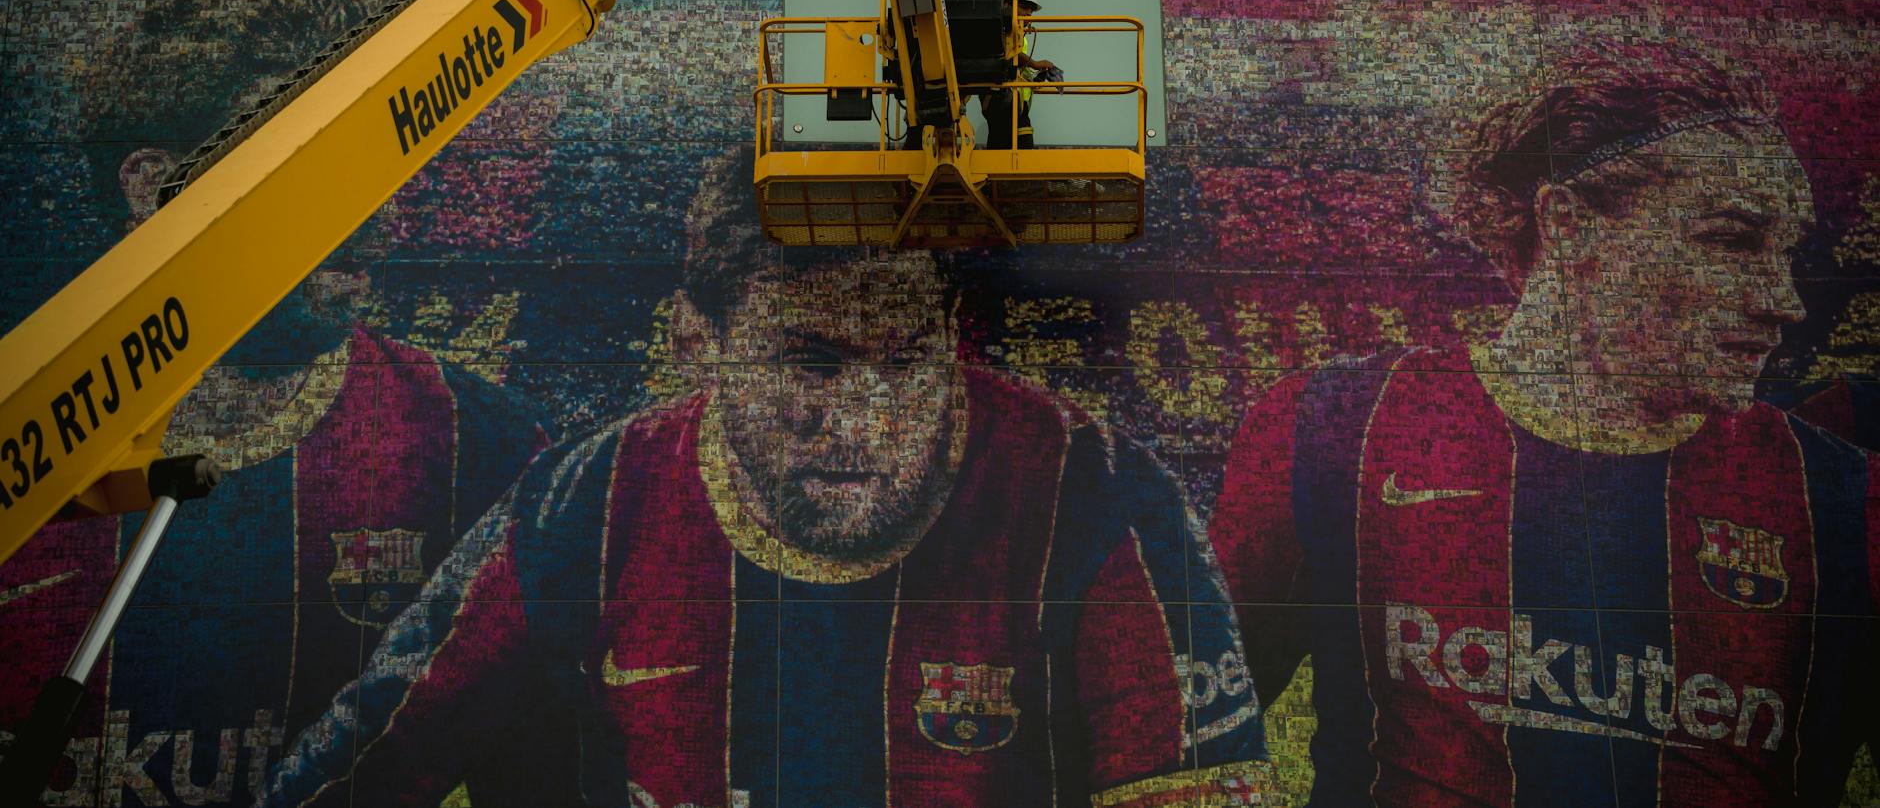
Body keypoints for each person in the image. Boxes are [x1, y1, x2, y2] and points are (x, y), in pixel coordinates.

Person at [260, 147, 1277, 808]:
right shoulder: (590, 502)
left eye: (906, 362)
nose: (864, 422)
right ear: (694, 342)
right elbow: (358, 761)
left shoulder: (1095, 492)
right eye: (810, 363)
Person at [1210, 42, 1878, 807]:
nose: (1784, 301)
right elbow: (1184, 739)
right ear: (1568, 225)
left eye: (1787, 253)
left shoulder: (1844, 499)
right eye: (1731, 240)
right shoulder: (1332, 428)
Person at [0, 0, 547, 806]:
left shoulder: (484, 447)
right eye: (319, 167)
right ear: (153, 185)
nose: (384, 215)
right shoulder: (26, 446)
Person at [984, 0, 1060, 150]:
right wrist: (1035, 63)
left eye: (1031, 10)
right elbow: (1005, 51)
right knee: (1007, 143)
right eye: (1024, 7)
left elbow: (1015, 66)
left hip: (1015, 100)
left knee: (1008, 143)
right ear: (1007, 6)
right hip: (1000, 98)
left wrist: (1034, 77)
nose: (1028, 14)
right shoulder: (998, 30)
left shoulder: (1020, 38)